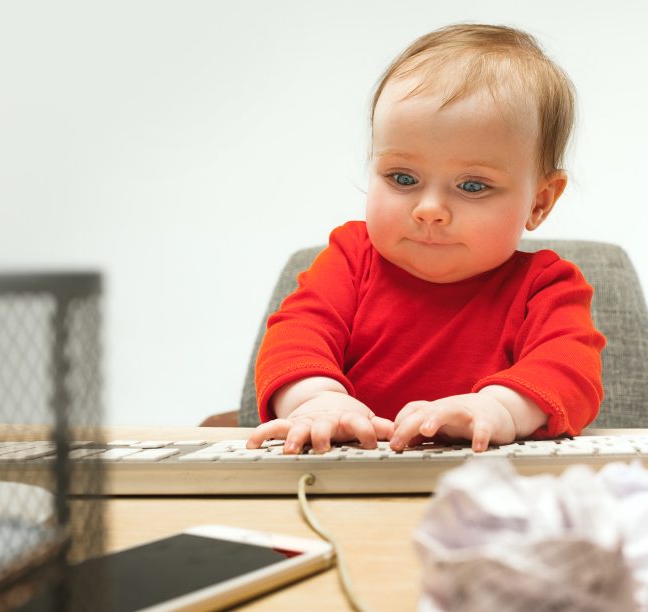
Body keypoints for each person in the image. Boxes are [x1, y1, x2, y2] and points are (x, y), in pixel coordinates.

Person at [246, 24, 606, 455]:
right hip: (343, 478)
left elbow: (571, 372)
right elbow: (295, 338)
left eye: (473, 186)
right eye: (403, 178)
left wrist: (497, 409)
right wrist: (317, 401)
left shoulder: (547, 287)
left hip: (488, 485)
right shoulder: (350, 258)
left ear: (540, 202)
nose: (429, 209)